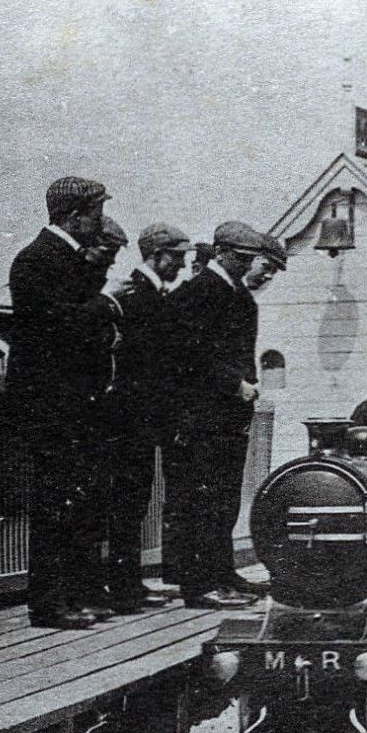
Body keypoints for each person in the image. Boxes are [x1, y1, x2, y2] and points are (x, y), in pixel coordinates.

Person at [6, 176, 116, 629]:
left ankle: (68, 596)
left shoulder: (68, 260)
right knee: (54, 503)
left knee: (73, 502)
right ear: (73, 215)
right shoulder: (35, 260)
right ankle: (49, 604)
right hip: (50, 404)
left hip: (74, 402)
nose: (101, 220)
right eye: (95, 211)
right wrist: (106, 307)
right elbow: (53, 324)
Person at [164, 220, 286, 610]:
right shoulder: (202, 292)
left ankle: (220, 573)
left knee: (221, 500)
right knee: (199, 499)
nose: (248, 265)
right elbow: (190, 355)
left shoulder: (232, 293)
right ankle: (198, 585)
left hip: (226, 418)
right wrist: (236, 385)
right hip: (202, 416)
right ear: (221, 252)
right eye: (242, 258)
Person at [98, 222, 195, 612]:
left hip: (142, 416)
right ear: (157, 256)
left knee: (135, 501)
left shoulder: (151, 295)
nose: (183, 264)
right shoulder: (140, 297)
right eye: (177, 256)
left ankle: (128, 583)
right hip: (133, 416)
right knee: (128, 502)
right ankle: (123, 587)